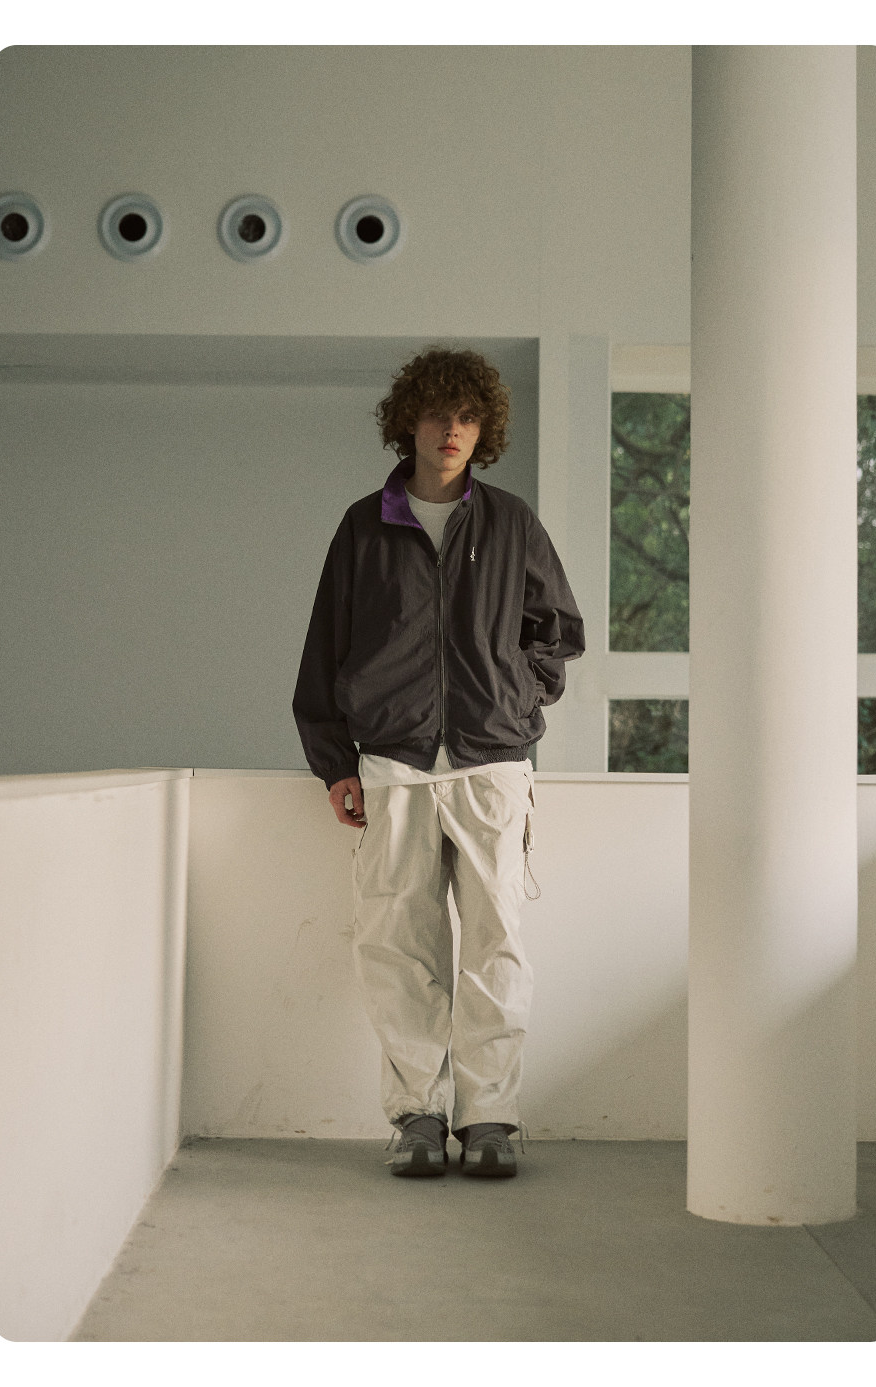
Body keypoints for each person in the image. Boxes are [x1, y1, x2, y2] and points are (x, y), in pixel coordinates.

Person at [293, 346, 584, 1179]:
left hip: (491, 766)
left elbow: (558, 632)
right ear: (407, 422)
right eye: (435, 413)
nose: (450, 429)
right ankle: (418, 1114)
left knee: (496, 943)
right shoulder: (364, 526)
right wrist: (335, 762)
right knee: (398, 945)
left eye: (466, 416)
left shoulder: (511, 523)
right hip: (393, 764)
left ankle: (488, 1116)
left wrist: (512, 700)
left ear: (483, 429)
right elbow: (324, 650)